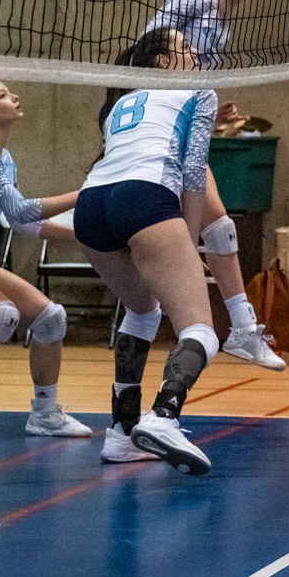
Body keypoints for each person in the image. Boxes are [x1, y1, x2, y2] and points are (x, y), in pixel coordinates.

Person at [75, 28, 221, 475]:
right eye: (185, 46)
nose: (197, 52)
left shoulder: (121, 101)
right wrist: (189, 238)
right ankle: (163, 417)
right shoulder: (201, 93)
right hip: (144, 196)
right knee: (202, 331)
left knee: (142, 311)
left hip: (91, 204)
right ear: (161, 61)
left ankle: (121, 434)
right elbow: (194, 174)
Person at [146, 0, 284, 372]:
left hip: (183, 126)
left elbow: (190, 77)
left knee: (220, 228)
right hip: (154, 126)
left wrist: (211, 108)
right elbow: (149, 52)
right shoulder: (191, 1)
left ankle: (240, 330)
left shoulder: (224, 28)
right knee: (176, 239)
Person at [0, 80, 92, 443]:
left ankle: (46, 414)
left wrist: (88, 237)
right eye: (2, 95)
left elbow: (21, 222)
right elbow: (21, 209)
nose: (15, 96)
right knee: (2, 314)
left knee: (50, 318)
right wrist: (83, 195)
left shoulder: (4, 159)